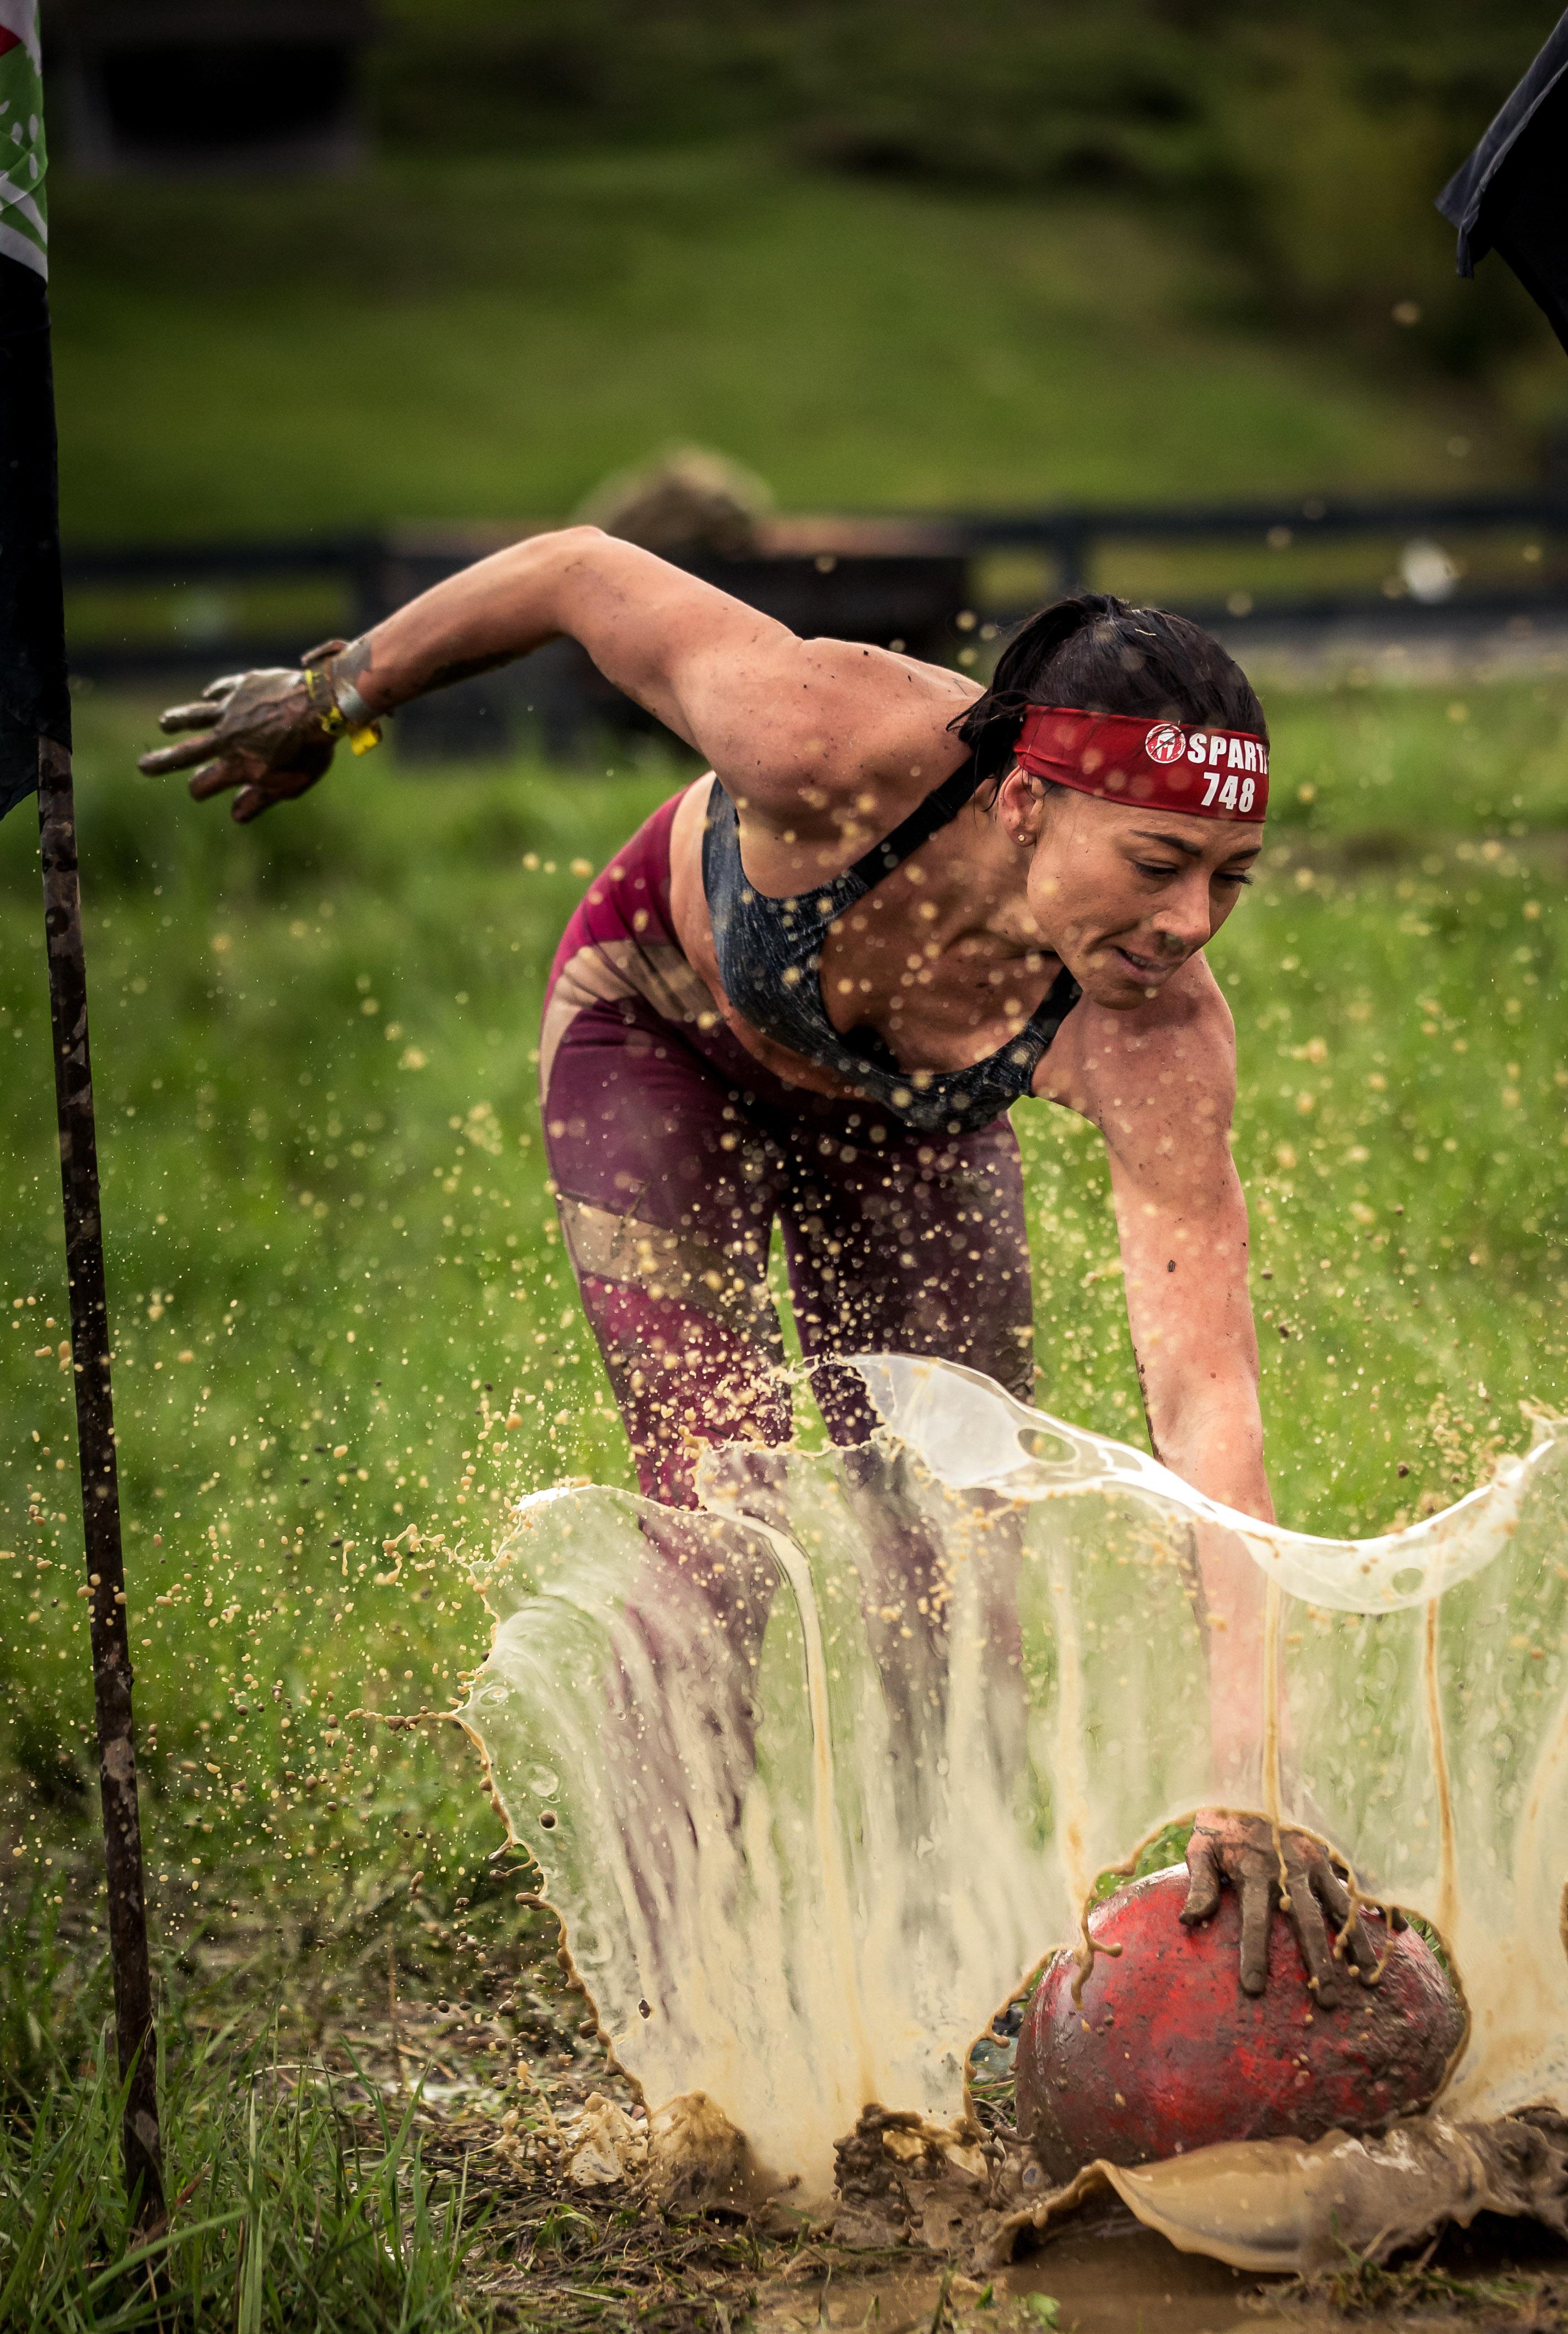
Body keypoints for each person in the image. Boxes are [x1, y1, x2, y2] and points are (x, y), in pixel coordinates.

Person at [139, 544, 1366, 1994]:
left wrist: (1253, 1774)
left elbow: (1208, 1402)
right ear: (1026, 800)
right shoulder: (820, 735)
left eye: (1232, 879)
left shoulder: (1158, 1031)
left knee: (963, 1545)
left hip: (908, 1122)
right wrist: (341, 693)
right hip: (661, 1030)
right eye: (1158, 867)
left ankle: (948, 1975)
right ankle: (695, 2013)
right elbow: (577, 575)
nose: (1188, 925)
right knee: (721, 1523)